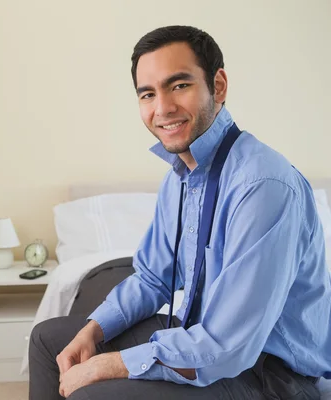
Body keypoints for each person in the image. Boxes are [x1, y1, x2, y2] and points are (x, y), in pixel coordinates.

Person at [29, 25, 331, 399]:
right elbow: (153, 278)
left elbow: (229, 346)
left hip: (268, 373)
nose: (163, 108)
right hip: (200, 334)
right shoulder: (181, 177)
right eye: (148, 94)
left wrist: (111, 363)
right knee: (49, 340)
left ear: (217, 86)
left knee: (95, 392)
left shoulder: (263, 186)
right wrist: (93, 330)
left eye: (179, 86)